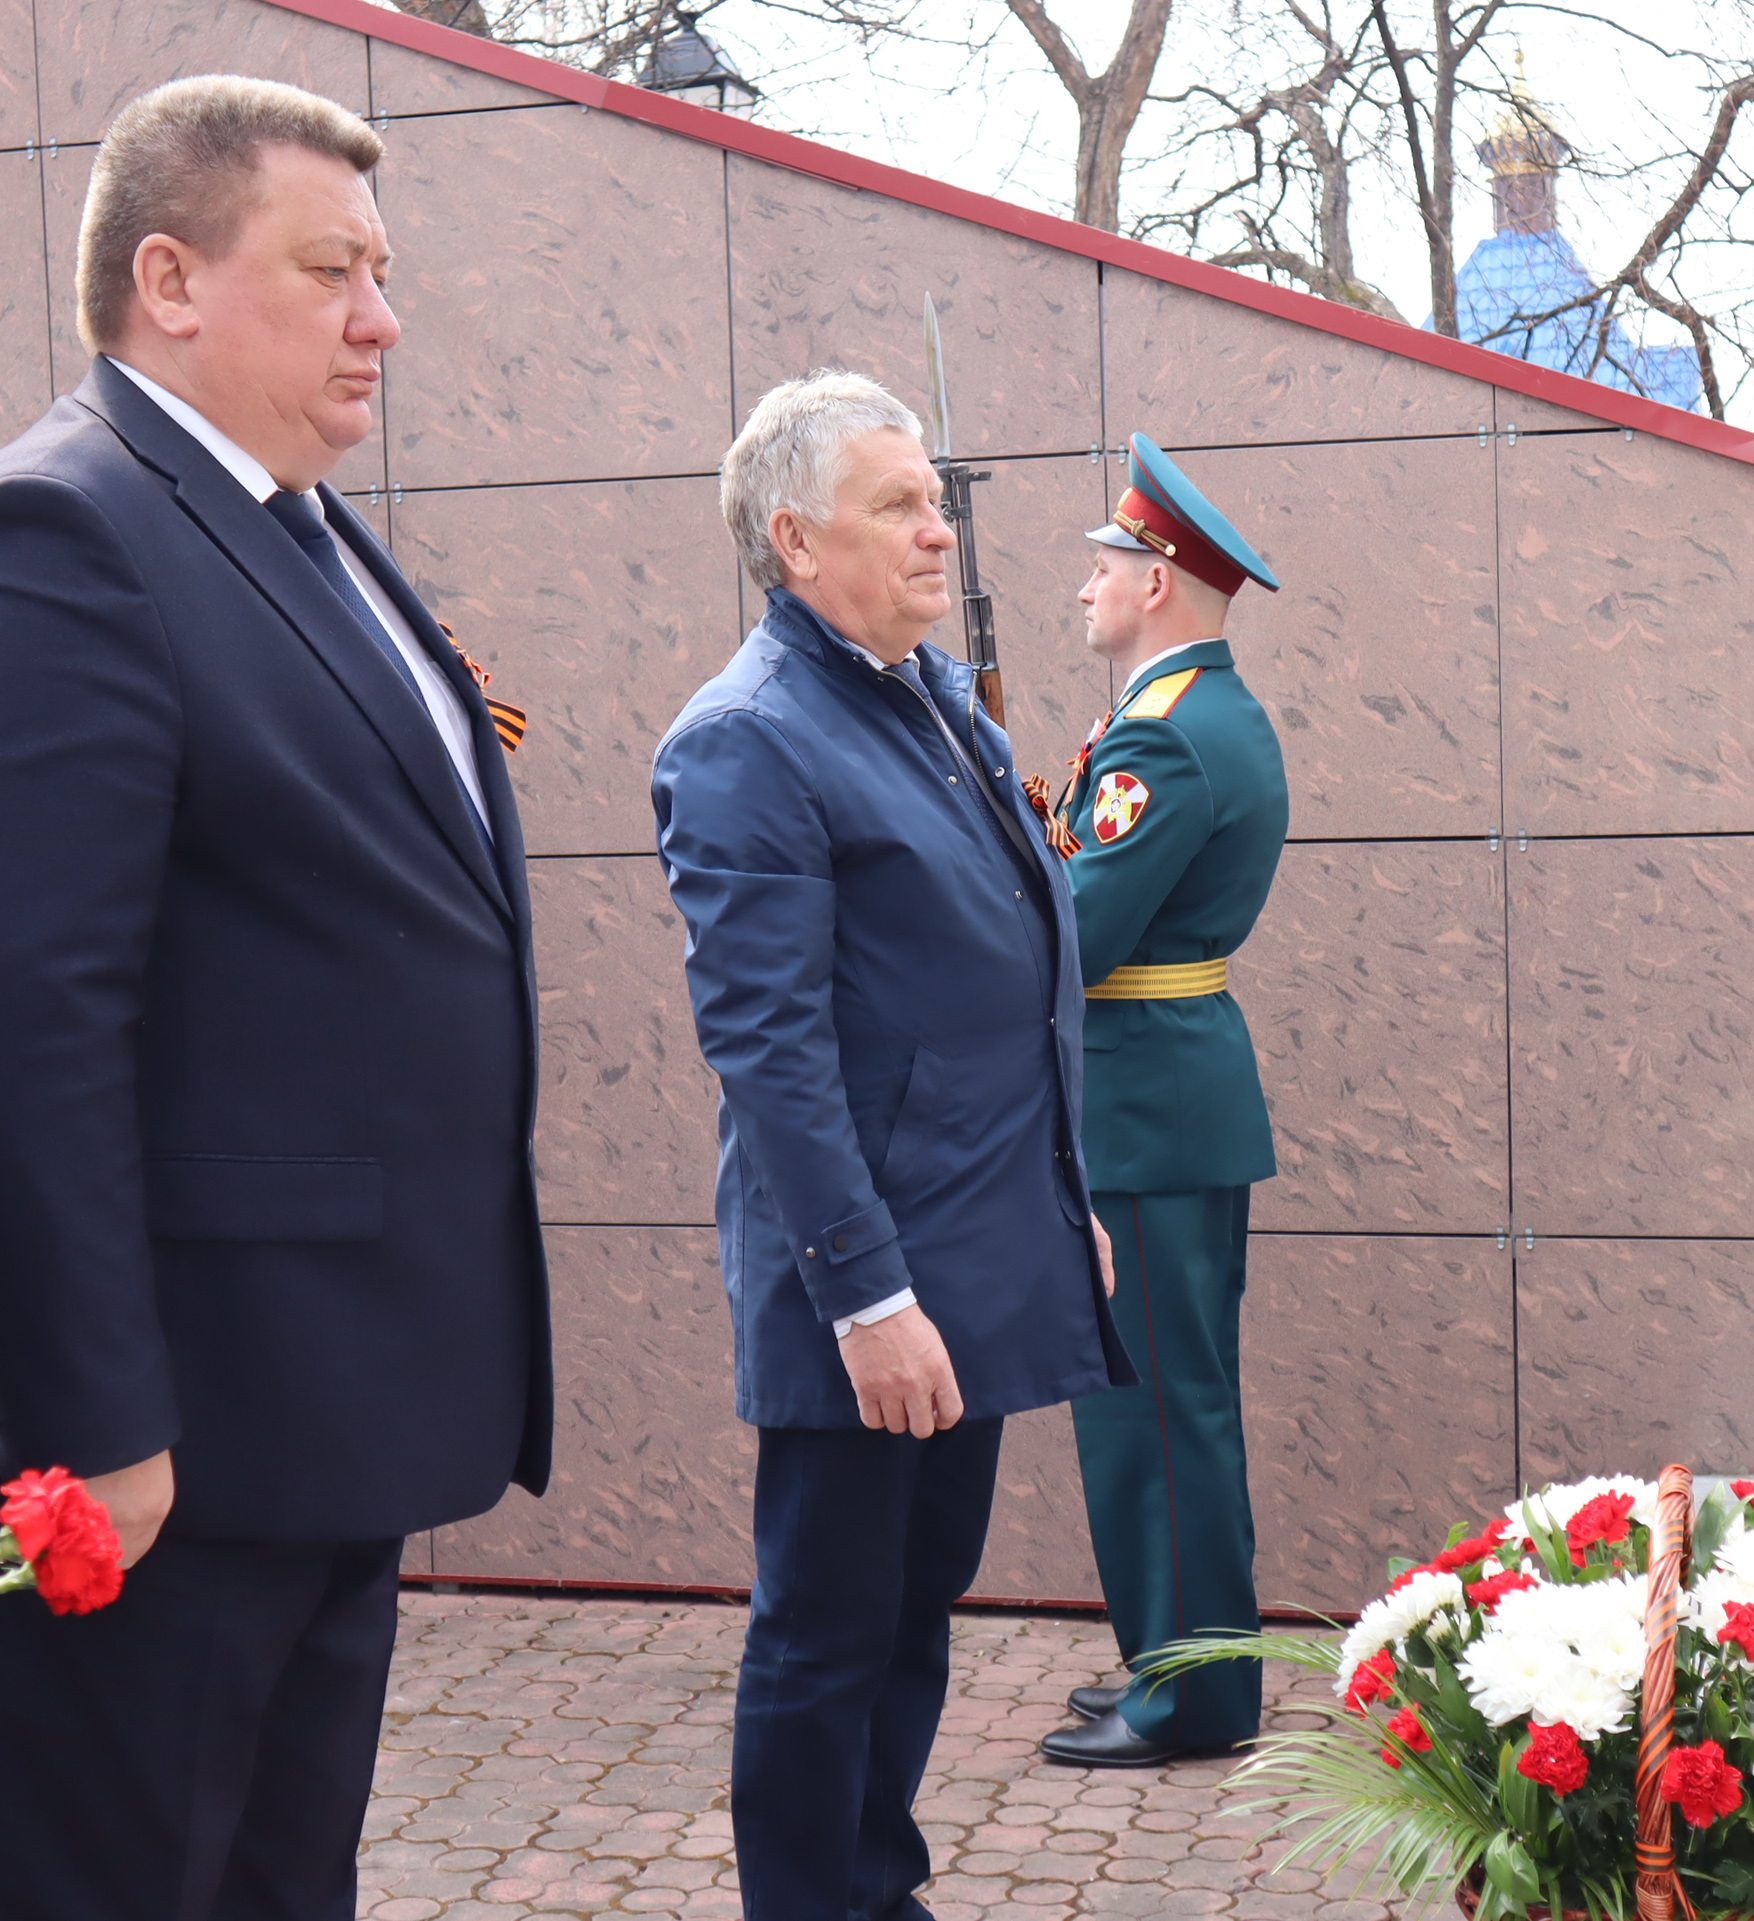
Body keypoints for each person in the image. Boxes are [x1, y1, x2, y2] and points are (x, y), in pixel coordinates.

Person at [0, 75, 551, 1920]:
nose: (381, 316)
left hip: (315, 1400)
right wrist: (99, 1421)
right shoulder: (61, 532)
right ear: (168, 279)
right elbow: (20, 1020)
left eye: (384, 270)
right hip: (162, 1432)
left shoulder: (293, 528)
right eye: (331, 268)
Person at [653, 370, 1132, 1921]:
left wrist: (1062, 1203)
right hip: (870, 1281)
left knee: (911, 1613)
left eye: (934, 502)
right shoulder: (749, 741)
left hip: (976, 1244)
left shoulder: (917, 693)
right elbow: (770, 1053)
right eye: (899, 507)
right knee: (826, 1628)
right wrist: (866, 1298)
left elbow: (1000, 986)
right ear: (795, 539)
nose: (940, 533)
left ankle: (872, 1882)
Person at [1035, 433, 1289, 1770]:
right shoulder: (1180, 724)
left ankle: (1190, 1696)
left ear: (1160, 584)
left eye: (1105, 562)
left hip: (1146, 1102)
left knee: (1157, 1409)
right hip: (1157, 1094)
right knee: (1155, 1400)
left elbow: (1073, 932)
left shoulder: (1167, 742)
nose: (1084, 584)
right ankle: (1167, 1660)